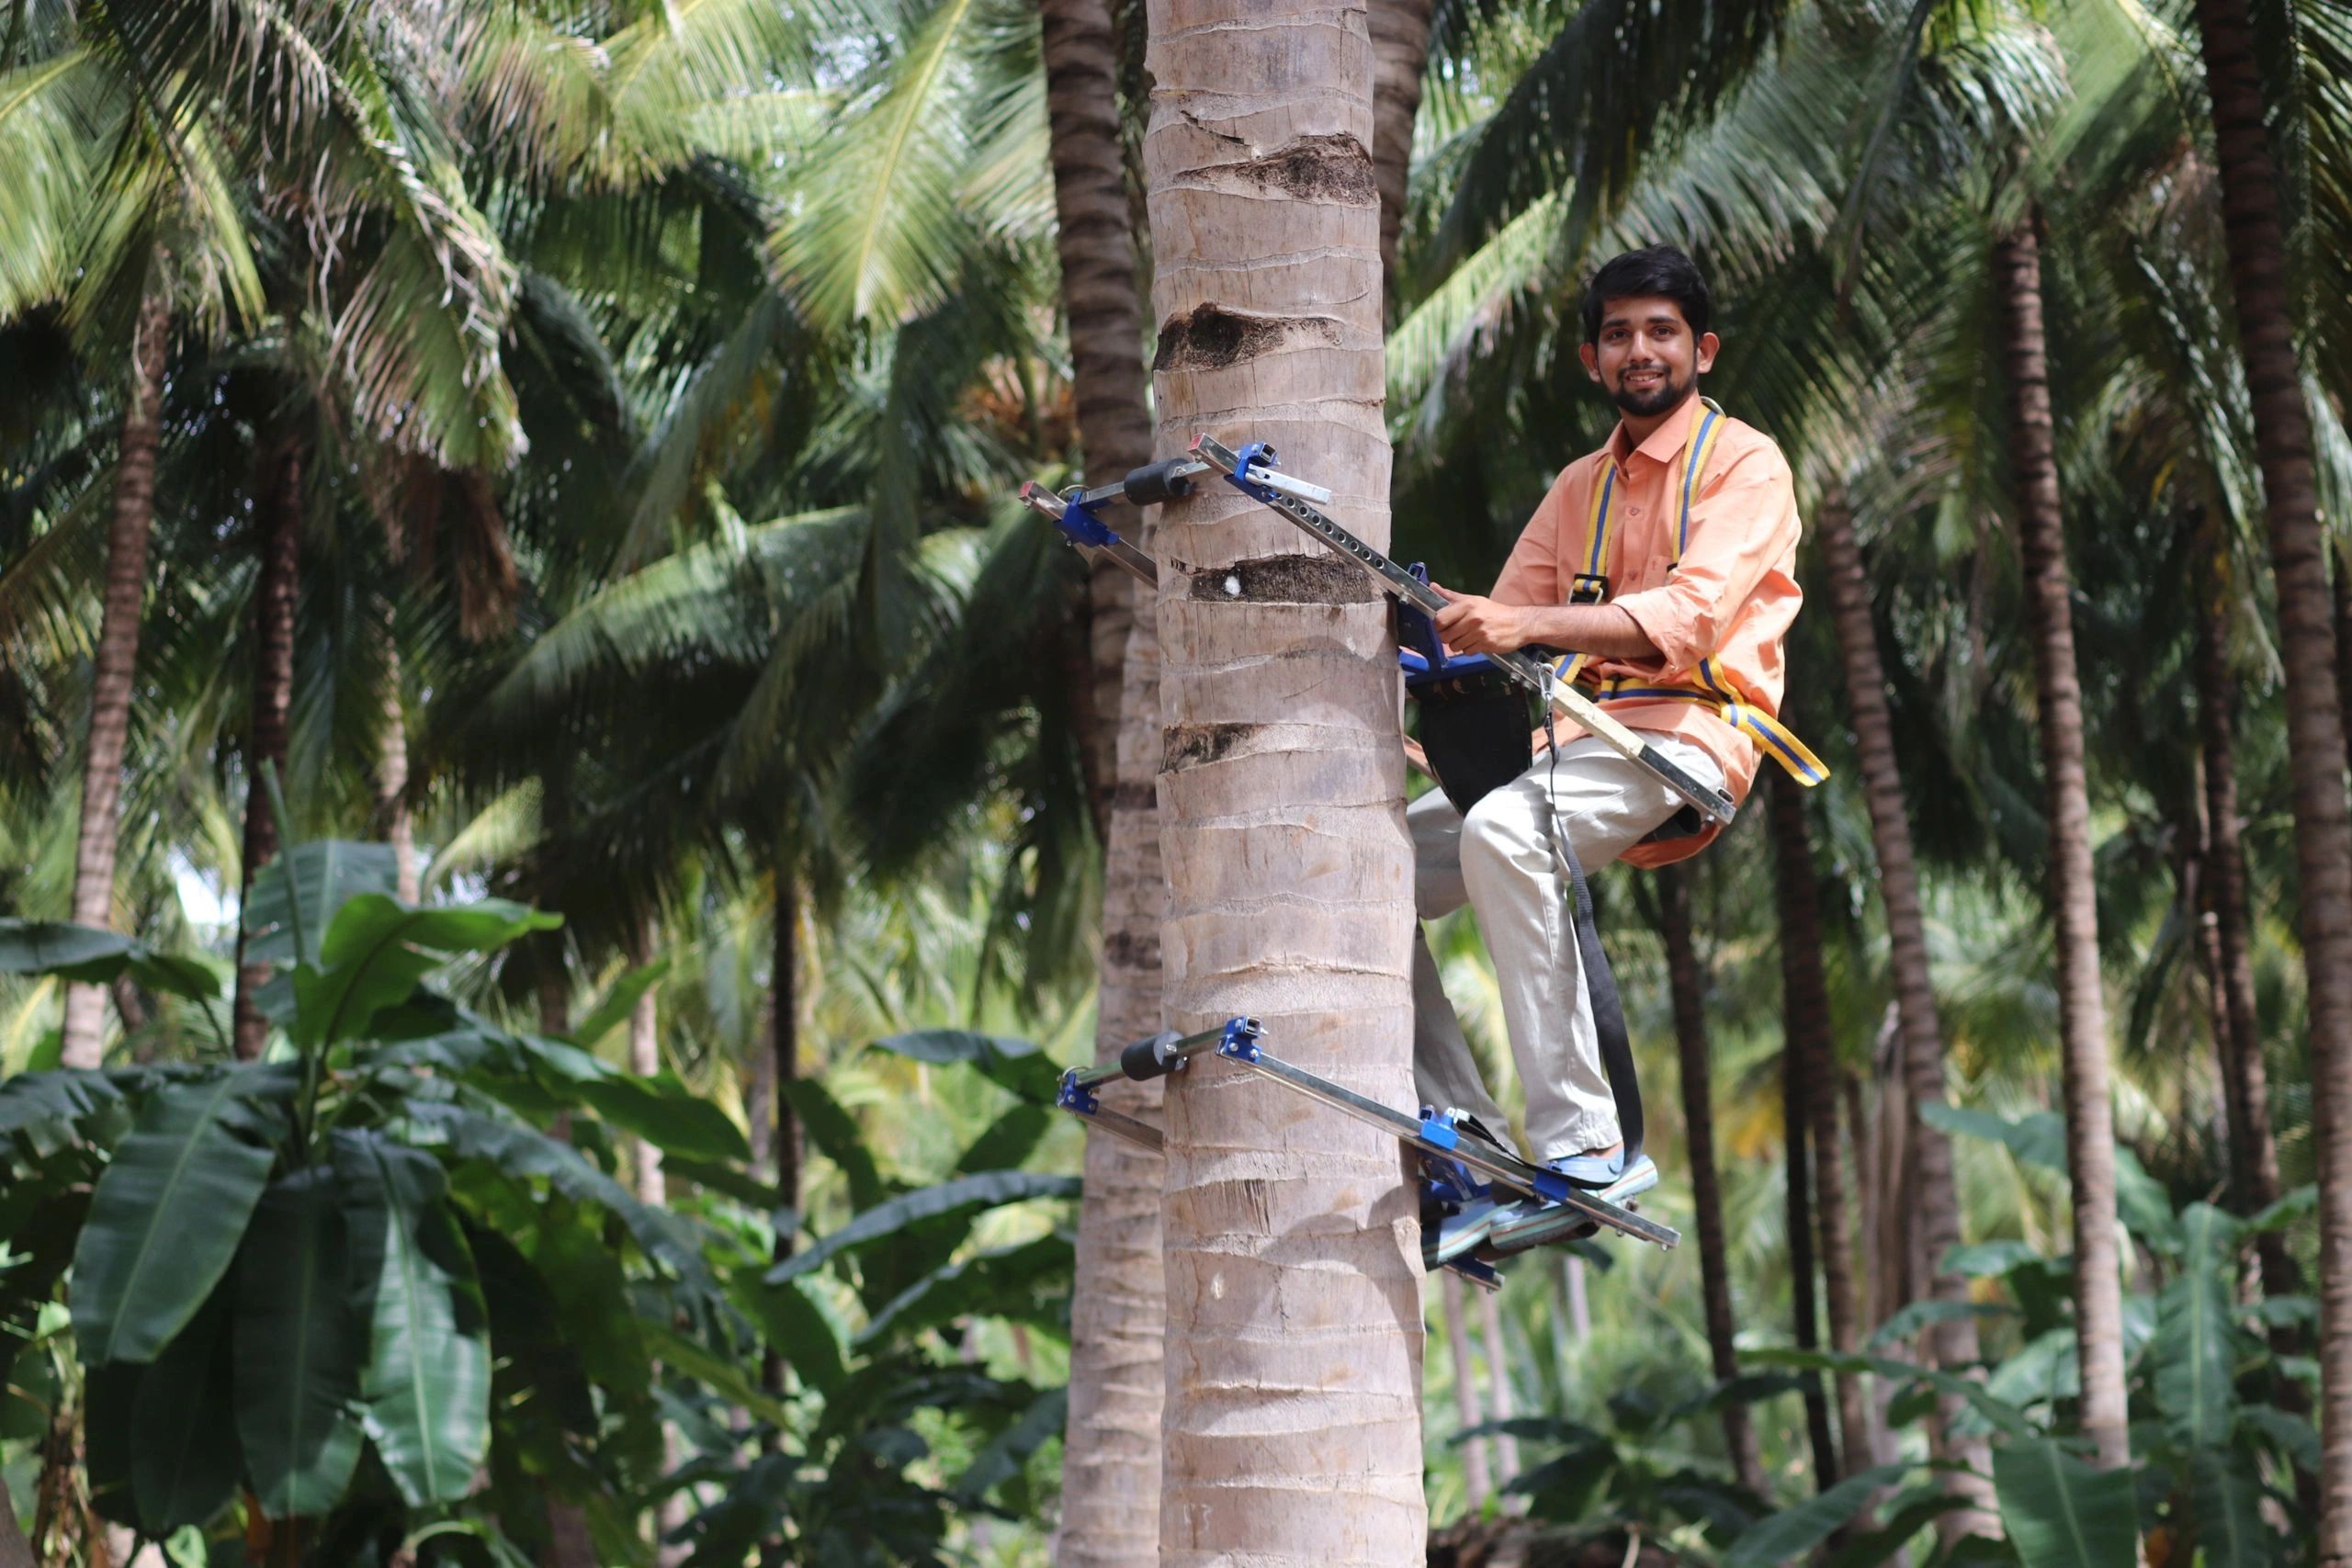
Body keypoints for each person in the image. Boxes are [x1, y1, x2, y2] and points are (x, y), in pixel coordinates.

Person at [1411, 245, 1815, 1266]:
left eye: (1662, 331)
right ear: (1592, 359)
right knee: (1364, 872)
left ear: (1702, 350)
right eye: (1620, 333)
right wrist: (1422, 655)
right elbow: (1497, 634)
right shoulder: (1577, 487)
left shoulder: (1745, 465)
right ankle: (1471, 1149)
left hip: (1684, 738)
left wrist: (1513, 629)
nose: (1641, 350)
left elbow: (1684, 618)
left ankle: (1587, 1150)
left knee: (1507, 829)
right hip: (1571, 748)